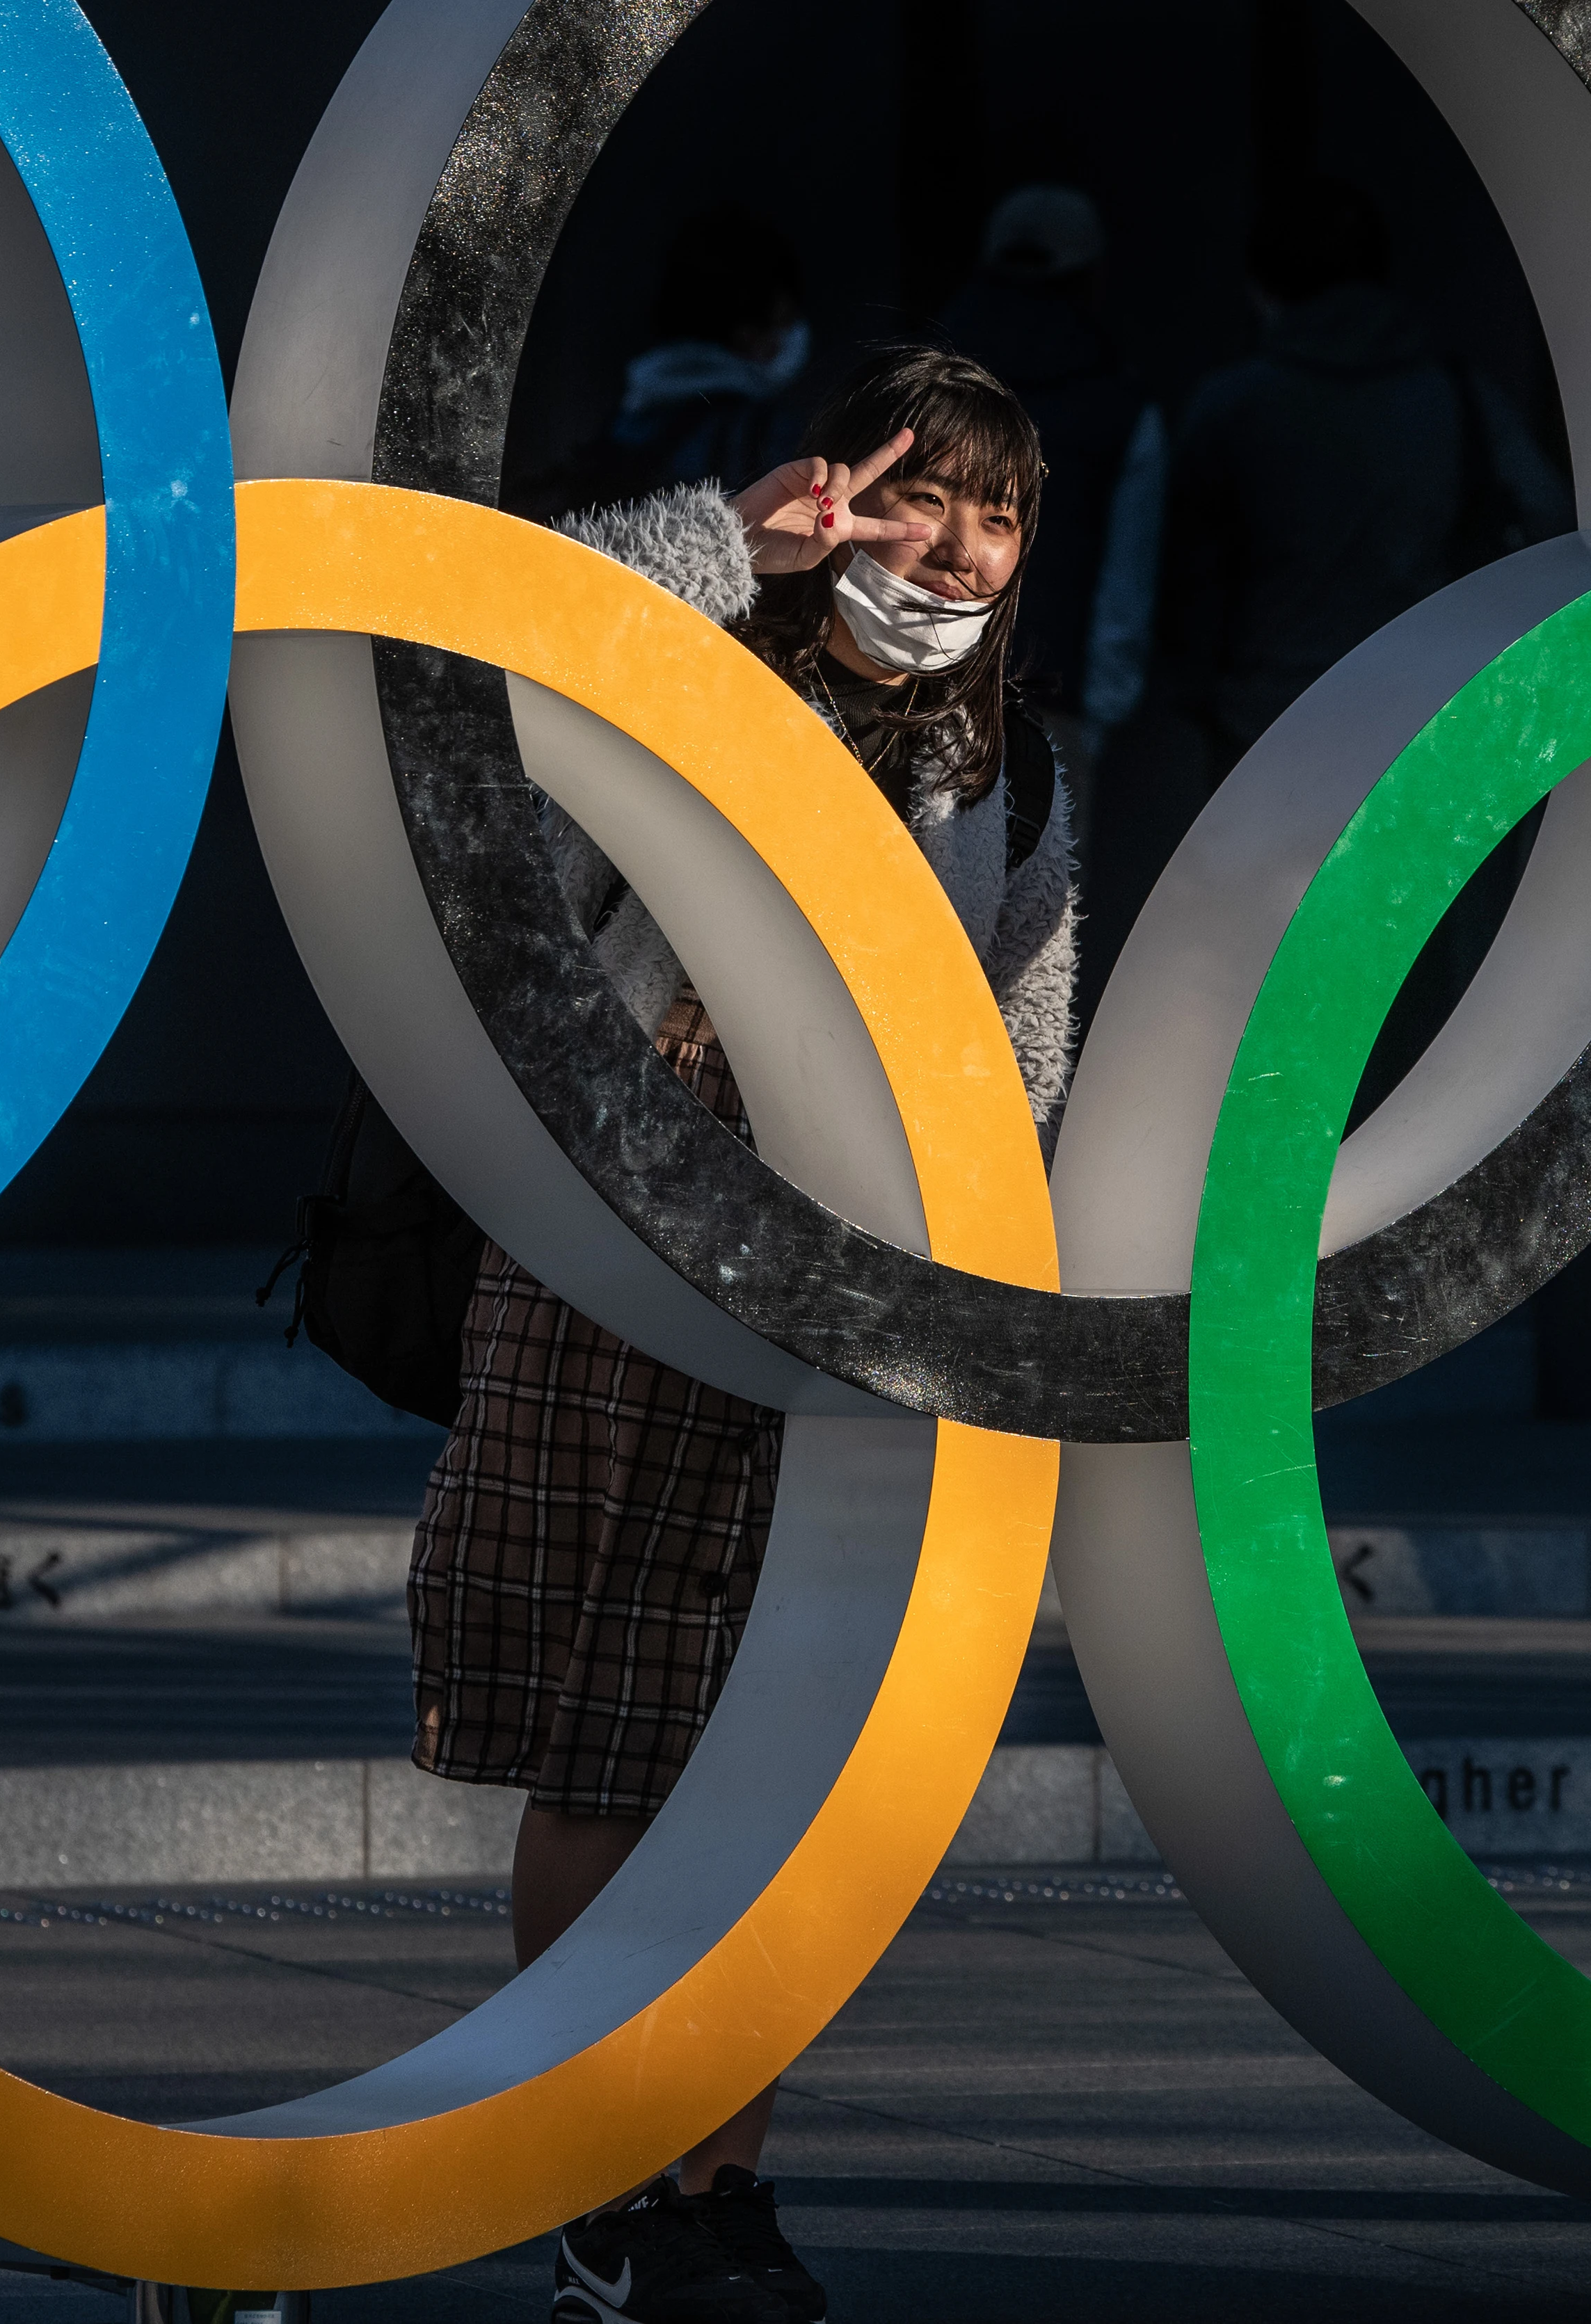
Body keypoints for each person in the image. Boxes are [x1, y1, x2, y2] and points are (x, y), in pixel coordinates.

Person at [407, 346, 1085, 2324]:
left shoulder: (1013, 767)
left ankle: (719, 2179)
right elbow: (464, 628)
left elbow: (1022, 1054)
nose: (949, 547)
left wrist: (980, 1289)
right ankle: (596, 2173)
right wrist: (721, 538)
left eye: (995, 511)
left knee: (779, 1751)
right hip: (625, 1237)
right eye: (914, 495)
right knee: (613, 1731)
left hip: (856, 1278)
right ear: (834, 490)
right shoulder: (684, 666)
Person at [1142, 175, 1563, 768]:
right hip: (1424, 712)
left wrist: (1204, 695)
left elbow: (1185, 580)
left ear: (1261, 287)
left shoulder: (1232, 405)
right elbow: (1546, 522)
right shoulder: (1457, 395)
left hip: (1267, 722)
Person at [932, 184, 1154, 732]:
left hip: (922, 689)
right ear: (1095, 276)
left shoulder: (922, 378)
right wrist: (1101, 707)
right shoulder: (1118, 406)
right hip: (1052, 701)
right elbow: (1126, 580)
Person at [539, 203, 813, 509]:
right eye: (784, 318)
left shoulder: (633, 405)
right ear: (746, 334)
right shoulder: (761, 433)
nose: (794, 333)